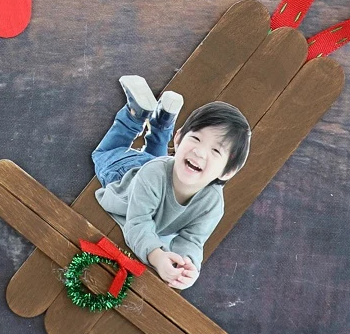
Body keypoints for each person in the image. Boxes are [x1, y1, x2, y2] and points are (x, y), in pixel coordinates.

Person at [93, 77, 251, 290]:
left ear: (228, 171)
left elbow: (192, 240)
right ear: (179, 139)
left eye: (216, 151)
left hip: (162, 167)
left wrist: (188, 267)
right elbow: (137, 223)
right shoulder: (153, 174)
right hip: (124, 172)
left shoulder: (212, 204)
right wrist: (157, 257)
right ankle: (136, 113)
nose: (200, 152)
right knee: (103, 153)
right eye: (195, 139)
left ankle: (163, 120)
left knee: (161, 163)